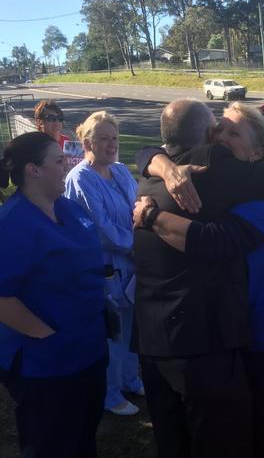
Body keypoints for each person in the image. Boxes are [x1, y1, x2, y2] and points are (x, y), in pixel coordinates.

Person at [132, 98, 264, 458]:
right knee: (244, 432)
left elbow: (216, 242)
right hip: (229, 334)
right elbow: (149, 150)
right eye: (218, 130)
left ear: (258, 150)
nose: (220, 138)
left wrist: (151, 216)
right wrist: (162, 163)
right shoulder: (216, 186)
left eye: (233, 132)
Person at [0, 132, 107, 457]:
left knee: (83, 437)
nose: (67, 166)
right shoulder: (12, 224)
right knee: (51, 443)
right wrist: (48, 338)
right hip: (46, 365)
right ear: (33, 170)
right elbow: (3, 299)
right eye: (59, 161)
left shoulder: (69, 209)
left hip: (88, 350)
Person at [64, 111, 144, 416]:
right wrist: (137, 243)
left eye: (114, 138)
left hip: (133, 263)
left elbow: (138, 206)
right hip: (107, 267)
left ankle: (130, 379)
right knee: (112, 332)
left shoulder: (121, 170)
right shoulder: (81, 178)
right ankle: (110, 394)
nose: (111, 145)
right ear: (87, 142)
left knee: (131, 325)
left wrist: (143, 231)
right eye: (103, 139)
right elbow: (101, 228)